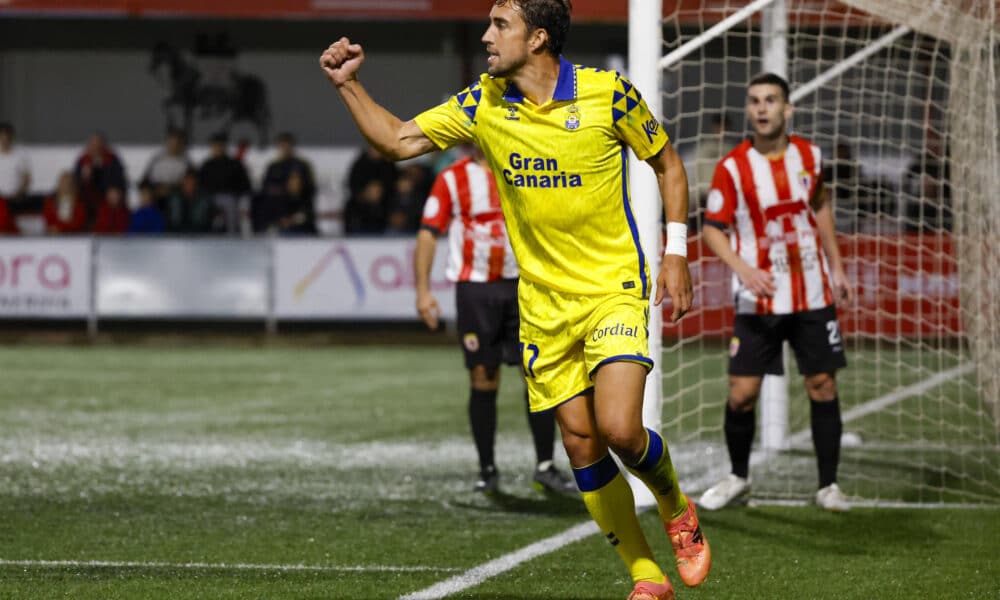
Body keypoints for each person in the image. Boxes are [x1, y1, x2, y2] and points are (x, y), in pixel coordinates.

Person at [319, 2, 709, 598]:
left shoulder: (609, 94)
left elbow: (669, 164)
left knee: (621, 429)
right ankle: (645, 573)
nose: (486, 36)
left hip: (612, 288)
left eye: (500, 25)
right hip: (543, 304)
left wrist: (677, 252)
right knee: (579, 440)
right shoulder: (484, 101)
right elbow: (398, 141)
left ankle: (675, 505)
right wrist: (349, 87)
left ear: (540, 37)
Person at [698, 73, 854, 513]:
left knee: (822, 384)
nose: (761, 108)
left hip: (811, 292)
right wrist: (744, 270)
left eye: (770, 100)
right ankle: (738, 477)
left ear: (788, 109)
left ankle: (828, 485)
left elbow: (820, 205)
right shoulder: (732, 167)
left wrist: (837, 267)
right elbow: (712, 230)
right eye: (754, 101)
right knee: (741, 392)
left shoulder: (810, 156)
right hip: (758, 296)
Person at [414, 146, 574, 495]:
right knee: (483, 378)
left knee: (537, 376)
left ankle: (545, 466)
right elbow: (428, 231)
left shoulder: (526, 168)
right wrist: (423, 290)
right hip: (476, 291)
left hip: (524, 287)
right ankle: (488, 469)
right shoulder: (452, 178)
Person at [199, 131, 252, 234]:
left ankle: (231, 236)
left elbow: (246, 187)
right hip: (209, 198)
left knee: (230, 203)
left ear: (225, 146)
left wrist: (242, 199)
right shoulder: (206, 165)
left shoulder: (235, 164)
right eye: (215, 145)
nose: (218, 147)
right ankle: (205, 235)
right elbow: (200, 186)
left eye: (220, 145)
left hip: (231, 198)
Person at [74, 132, 127, 227]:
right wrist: (84, 178)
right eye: (93, 144)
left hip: (106, 198)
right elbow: (76, 181)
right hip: (86, 199)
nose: (96, 147)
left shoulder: (112, 160)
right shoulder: (83, 160)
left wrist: (100, 169)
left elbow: (118, 181)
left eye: (98, 144)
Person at [141, 127, 193, 211]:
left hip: (176, 193)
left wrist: (170, 189)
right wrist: (151, 190)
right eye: (171, 142)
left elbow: (189, 182)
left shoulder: (186, 161)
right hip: (155, 190)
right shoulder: (157, 158)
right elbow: (145, 178)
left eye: (177, 143)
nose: (174, 145)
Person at [0, 122, 31, 204]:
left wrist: (20, 193)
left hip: (15, 198)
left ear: (11, 137)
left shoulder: (20, 155)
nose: (5, 140)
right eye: (2, 137)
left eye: (7, 137)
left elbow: (27, 178)